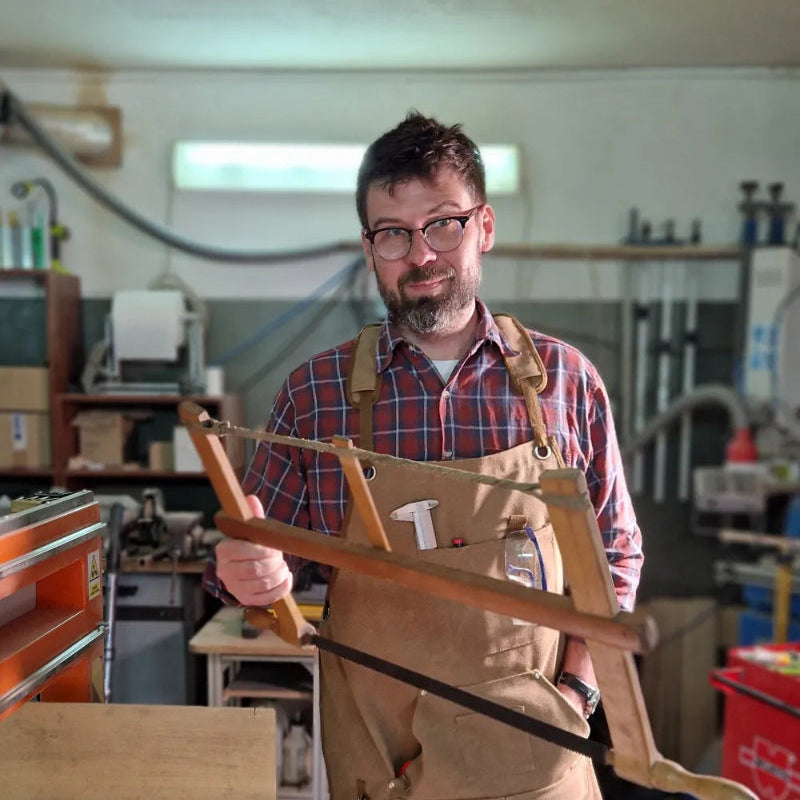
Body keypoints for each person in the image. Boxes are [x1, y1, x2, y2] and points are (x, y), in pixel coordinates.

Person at [204, 111, 643, 800]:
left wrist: (578, 690)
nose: (421, 253)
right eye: (393, 234)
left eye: (443, 223)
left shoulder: (565, 381)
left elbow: (615, 555)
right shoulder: (315, 395)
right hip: (382, 765)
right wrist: (244, 573)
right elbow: (256, 578)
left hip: (535, 757)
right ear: (370, 247)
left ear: (484, 228)